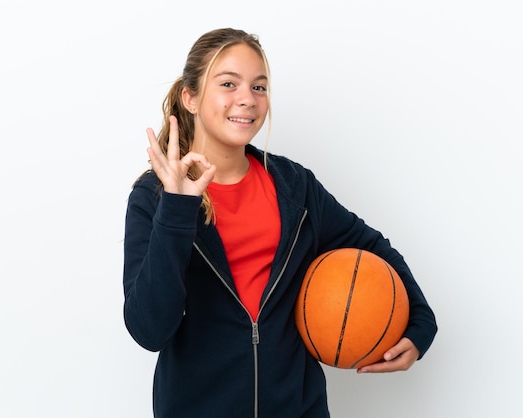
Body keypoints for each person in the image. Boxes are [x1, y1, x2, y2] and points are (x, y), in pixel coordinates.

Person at [123, 28, 437, 418]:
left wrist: (420, 325)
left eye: (259, 87)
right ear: (190, 98)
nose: (247, 99)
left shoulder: (294, 187)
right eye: (228, 83)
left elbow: (370, 246)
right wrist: (176, 208)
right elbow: (149, 330)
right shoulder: (153, 199)